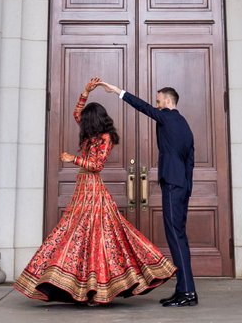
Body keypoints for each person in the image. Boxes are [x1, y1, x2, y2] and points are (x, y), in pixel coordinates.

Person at [14, 77, 175, 305]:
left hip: (93, 189)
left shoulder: (105, 138)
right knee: (75, 235)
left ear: (93, 121)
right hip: (83, 188)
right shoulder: (92, 135)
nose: (82, 123)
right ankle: (77, 287)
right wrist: (85, 92)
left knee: (99, 236)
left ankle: (99, 289)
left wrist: (73, 158)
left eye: (86, 121)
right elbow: (76, 114)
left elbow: (96, 165)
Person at [99, 80, 197, 308]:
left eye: (159, 100)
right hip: (181, 186)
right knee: (179, 237)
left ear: (168, 101)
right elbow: (190, 162)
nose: (157, 104)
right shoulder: (185, 125)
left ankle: (188, 292)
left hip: (172, 185)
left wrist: (117, 91)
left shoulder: (168, 116)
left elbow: (142, 106)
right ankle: (184, 289)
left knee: (176, 238)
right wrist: (188, 189)